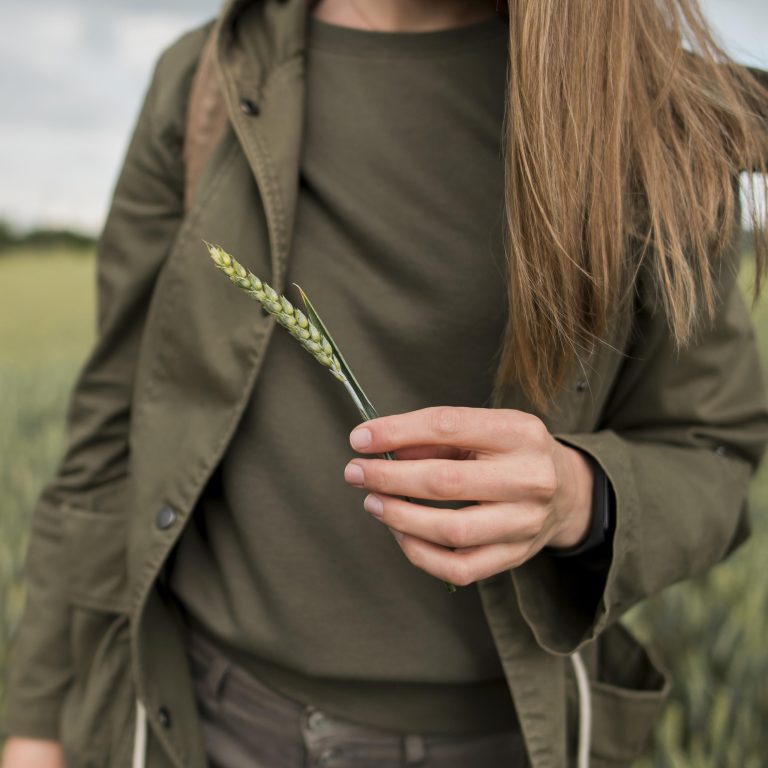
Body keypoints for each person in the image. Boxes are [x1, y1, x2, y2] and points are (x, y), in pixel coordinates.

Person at [2, 0, 768, 766]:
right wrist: (36, 724)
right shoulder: (204, 79)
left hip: (503, 740)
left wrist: (578, 496)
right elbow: (108, 433)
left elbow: (712, 451)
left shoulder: (646, 105)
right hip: (208, 724)